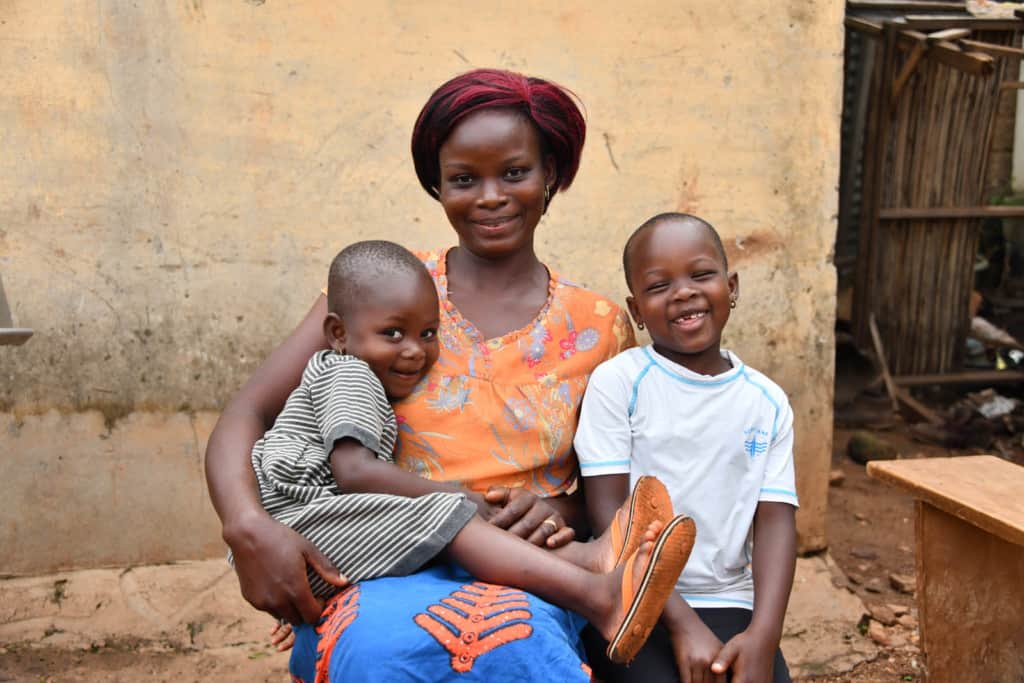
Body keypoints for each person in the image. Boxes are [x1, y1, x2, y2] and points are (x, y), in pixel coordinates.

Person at [204, 68, 637, 681]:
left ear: (551, 178)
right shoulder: (384, 293)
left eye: (515, 172)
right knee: (380, 650)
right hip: (380, 566)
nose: (489, 196)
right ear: (437, 185)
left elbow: (606, 491)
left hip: (530, 569)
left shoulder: (598, 326)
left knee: (511, 643)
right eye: (463, 179)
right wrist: (247, 525)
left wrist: (555, 512)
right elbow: (246, 414)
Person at [249, 239, 696, 665]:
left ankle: (589, 562)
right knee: (446, 518)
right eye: (392, 334)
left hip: (329, 528)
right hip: (307, 529)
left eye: (428, 333)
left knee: (446, 525)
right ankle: (596, 593)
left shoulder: (599, 323)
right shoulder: (350, 377)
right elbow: (353, 472)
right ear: (338, 333)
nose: (413, 351)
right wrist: (462, 499)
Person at [574, 213, 798, 683]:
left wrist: (764, 636)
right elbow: (609, 513)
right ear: (636, 311)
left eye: (701, 275)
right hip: (631, 593)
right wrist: (684, 626)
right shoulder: (620, 384)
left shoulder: (767, 402)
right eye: (659, 286)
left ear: (731, 287)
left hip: (727, 599)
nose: (683, 293)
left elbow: (776, 520)